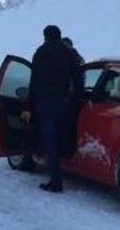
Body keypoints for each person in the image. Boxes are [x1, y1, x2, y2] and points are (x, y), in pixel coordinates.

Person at [20, 26, 83, 193]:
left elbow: (33, 82)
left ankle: (56, 180)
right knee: (64, 135)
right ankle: (68, 167)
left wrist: (28, 107)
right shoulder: (68, 53)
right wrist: (78, 97)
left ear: (45, 36)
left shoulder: (40, 53)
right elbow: (78, 76)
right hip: (63, 102)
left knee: (50, 140)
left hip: (44, 102)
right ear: (59, 36)